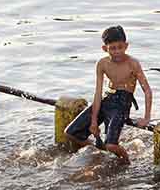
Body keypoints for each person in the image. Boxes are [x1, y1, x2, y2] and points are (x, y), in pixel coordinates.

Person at [64, 25, 153, 162]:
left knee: (111, 144)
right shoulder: (102, 64)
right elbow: (98, 93)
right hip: (106, 99)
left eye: (120, 47)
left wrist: (146, 118)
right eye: (112, 48)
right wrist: (93, 120)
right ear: (105, 48)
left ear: (126, 46)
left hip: (122, 103)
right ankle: (99, 150)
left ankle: (126, 161)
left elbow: (147, 90)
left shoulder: (133, 64)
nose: (117, 51)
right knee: (71, 133)